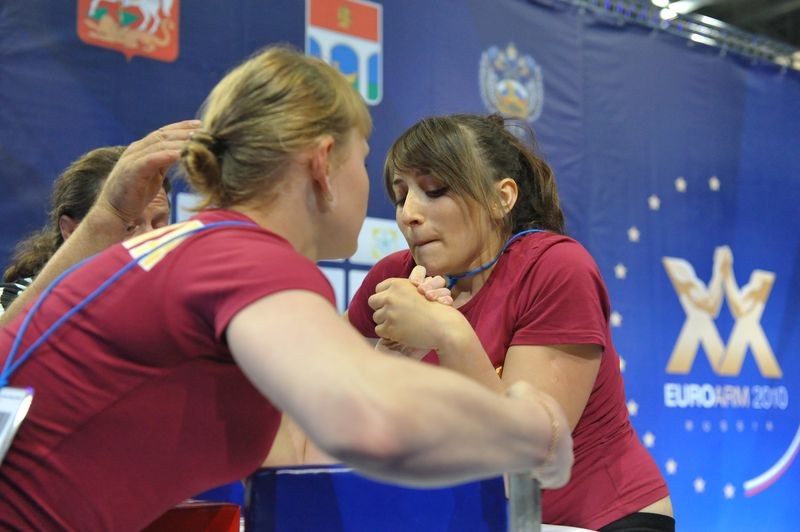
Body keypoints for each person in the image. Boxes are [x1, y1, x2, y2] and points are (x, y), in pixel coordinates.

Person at [0, 47, 573, 530]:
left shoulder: (199, 247)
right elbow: (371, 421)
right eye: (366, 160)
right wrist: (528, 428)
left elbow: (301, 452)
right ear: (323, 164)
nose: (395, 207)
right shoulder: (242, 256)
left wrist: (377, 361)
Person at [346, 114, 674, 531]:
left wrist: (448, 333)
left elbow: (529, 459)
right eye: (400, 195)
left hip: (600, 519)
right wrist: (383, 362)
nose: (408, 213)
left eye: (434, 190)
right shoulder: (394, 278)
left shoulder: (557, 268)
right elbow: (319, 403)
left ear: (503, 197)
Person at [0, 146, 172, 319]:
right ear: (71, 231)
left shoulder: (177, 306)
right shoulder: (8, 301)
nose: (151, 239)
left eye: (159, 224)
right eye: (129, 227)